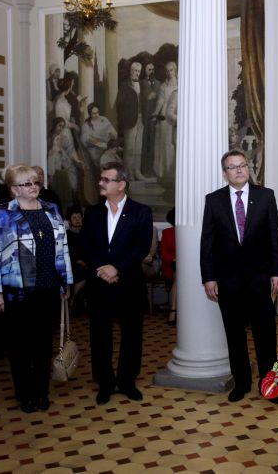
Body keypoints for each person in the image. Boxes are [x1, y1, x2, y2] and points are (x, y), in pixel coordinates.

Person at [200, 149, 278, 404]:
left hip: (261, 278)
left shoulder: (265, 196)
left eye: (242, 165)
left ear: (248, 168)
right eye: (232, 167)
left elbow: (275, 237)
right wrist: (208, 277)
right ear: (225, 173)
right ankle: (241, 383)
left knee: (265, 334)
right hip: (228, 281)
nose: (238, 170)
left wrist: (277, 272)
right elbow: (207, 242)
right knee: (234, 334)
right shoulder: (214, 200)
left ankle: (269, 386)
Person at [0, 164, 73, 413]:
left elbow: (63, 247)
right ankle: (25, 395)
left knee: (43, 344)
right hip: (18, 290)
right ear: (14, 189)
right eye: (27, 183)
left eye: (36, 182)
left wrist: (65, 281)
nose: (34, 187)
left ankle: (42, 392)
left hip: (49, 287)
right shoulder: (2, 213)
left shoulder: (51, 209)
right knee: (20, 346)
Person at [80, 162, 153, 405]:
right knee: (100, 334)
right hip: (99, 282)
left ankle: (127, 381)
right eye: (101, 179)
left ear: (121, 184)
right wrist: (102, 268)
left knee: (132, 334)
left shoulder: (141, 211)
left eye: (106, 180)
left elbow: (141, 247)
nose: (100, 183)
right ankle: (105, 383)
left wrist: (117, 267)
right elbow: (86, 245)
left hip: (129, 282)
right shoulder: (92, 212)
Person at [116, 61, 148, 181]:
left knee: (138, 148)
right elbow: (119, 105)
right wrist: (124, 120)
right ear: (130, 71)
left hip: (141, 120)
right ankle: (128, 174)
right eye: (135, 70)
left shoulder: (142, 85)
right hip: (130, 121)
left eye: (139, 71)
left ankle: (137, 172)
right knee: (129, 149)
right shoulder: (124, 85)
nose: (137, 73)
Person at [153, 61, 178, 179]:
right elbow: (160, 101)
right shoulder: (163, 86)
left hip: (176, 116)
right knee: (165, 144)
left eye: (171, 70)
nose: (169, 73)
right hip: (165, 117)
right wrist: (156, 112)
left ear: (175, 70)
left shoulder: (181, 84)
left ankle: (174, 173)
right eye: (167, 71)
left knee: (174, 145)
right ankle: (164, 173)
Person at [81, 102, 117, 171]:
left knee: (114, 160)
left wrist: (112, 134)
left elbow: (113, 132)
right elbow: (86, 140)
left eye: (97, 112)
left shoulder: (104, 119)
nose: (97, 115)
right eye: (94, 113)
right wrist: (99, 143)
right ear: (90, 114)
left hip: (107, 146)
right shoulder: (86, 125)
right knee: (103, 161)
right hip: (95, 149)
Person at [140, 62, 160, 178]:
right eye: (149, 69)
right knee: (144, 143)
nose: (151, 71)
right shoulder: (141, 83)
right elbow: (143, 99)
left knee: (153, 143)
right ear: (145, 71)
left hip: (154, 118)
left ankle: (152, 168)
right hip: (144, 117)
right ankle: (143, 169)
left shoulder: (158, 83)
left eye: (152, 69)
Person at [160, 207, 177, 326]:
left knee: (179, 275)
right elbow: (164, 254)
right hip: (170, 266)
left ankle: (173, 311)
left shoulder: (194, 233)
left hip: (189, 268)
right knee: (178, 274)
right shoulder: (167, 232)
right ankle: (174, 310)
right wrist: (175, 259)